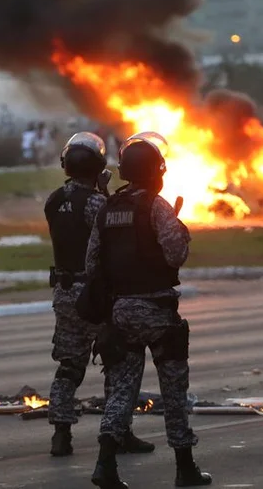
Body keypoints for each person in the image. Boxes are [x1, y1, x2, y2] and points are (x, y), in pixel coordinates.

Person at [87, 132, 212, 488]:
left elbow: (91, 261)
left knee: (122, 389)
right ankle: (185, 468)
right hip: (156, 310)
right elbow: (176, 255)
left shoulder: (108, 207)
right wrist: (178, 225)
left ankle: (105, 465)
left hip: (121, 312)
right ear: (155, 171)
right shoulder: (156, 206)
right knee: (174, 390)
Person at [44, 133, 154, 458]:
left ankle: (61, 433)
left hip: (65, 293)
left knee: (69, 364)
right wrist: (103, 190)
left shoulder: (53, 200)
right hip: (96, 292)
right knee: (117, 362)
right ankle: (119, 432)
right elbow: (108, 230)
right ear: (98, 166)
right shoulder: (97, 202)